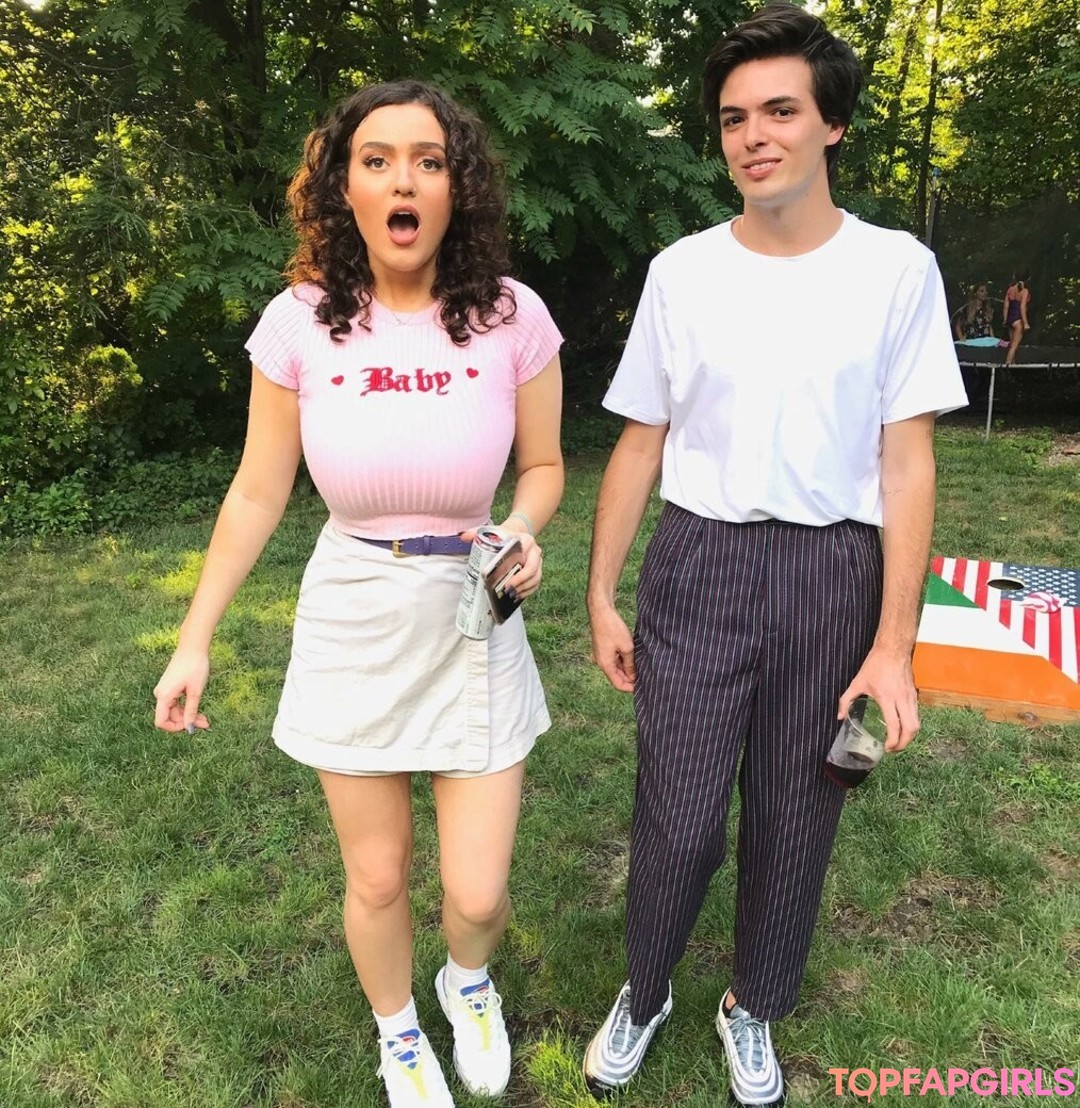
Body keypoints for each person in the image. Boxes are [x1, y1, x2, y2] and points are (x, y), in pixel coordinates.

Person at [581, 5, 967, 1105]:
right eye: (733, 118)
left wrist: (894, 645)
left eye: (780, 110)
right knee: (679, 814)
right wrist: (601, 592)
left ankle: (752, 1004)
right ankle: (646, 987)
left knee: (800, 812)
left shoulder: (897, 271)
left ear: (830, 124)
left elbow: (906, 464)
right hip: (698, 565)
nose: (753, 136)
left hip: (834, 572)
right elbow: (640, 439)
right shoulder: (682, 272)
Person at [152, 79, 564, 1108]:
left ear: (457, 187)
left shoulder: (513, 315)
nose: (403, 180)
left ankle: (467, 981)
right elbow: (257, 490)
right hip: (352, 610)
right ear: (345, 186)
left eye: (428, 160)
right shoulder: (298, 323)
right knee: (377, 876)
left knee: (478, 891)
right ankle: (399, 1034)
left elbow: (547, 465)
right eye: (377, 160)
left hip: (473, 612)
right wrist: (196, 637)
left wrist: (522, 527)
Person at [1002, 273, 1031, 366]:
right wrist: (1025, 323)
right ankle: (1007, 365)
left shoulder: (1010, 289)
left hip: (1010, 319)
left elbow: (1006, 306)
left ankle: (1012, 364)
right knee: (1014, 346)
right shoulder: (1025, 291)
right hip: (1018, 320)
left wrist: (1005, 319)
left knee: (1012, 344)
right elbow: (1022, 307)